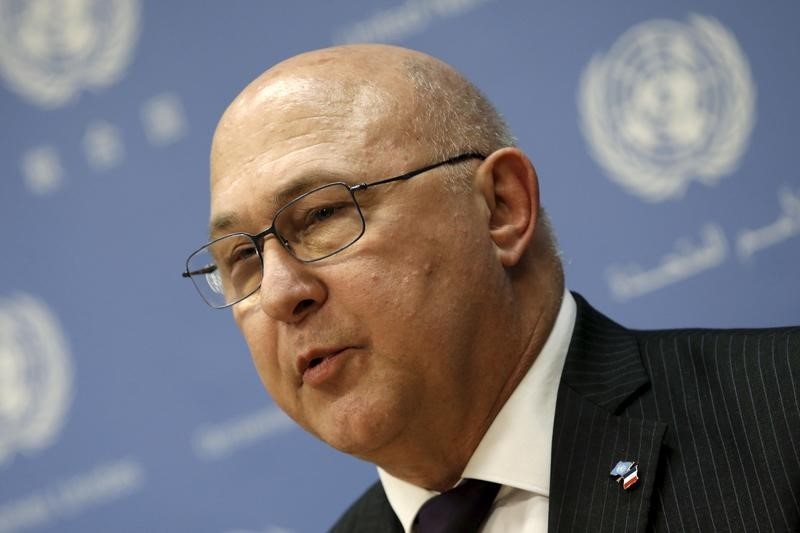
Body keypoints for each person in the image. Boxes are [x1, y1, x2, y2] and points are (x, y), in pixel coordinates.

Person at [183, 44, 800, 532]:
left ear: (501, 208)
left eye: (321, 216)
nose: (281, 293)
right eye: (241, 256)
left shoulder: (781, 409)